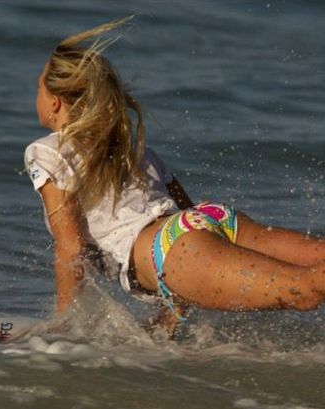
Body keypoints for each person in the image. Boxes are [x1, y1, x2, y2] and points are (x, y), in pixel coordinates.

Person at [24, 17, 325, 325]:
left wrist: (62, 329)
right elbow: (189, 219)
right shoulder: (135, 151)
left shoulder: (46, 152)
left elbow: (71, 246)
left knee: (305, 290)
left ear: (56, 103)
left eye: (38, 89)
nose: (36, 96)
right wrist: (169, 313)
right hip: (210, 220)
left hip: (171, 247)